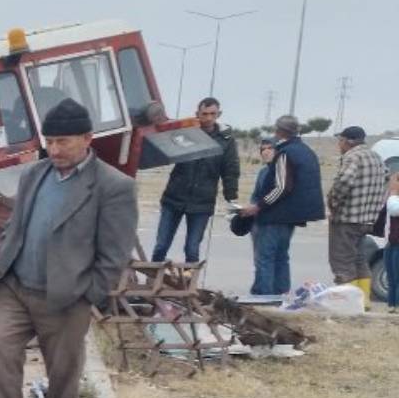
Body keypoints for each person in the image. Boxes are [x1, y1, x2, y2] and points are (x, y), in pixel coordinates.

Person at [0, 98, 137, 398]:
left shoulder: (114, 186)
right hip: (15, 286)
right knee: (1, 350)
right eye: (49, 142)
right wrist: (2, 261)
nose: (55, 149)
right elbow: (15, 224)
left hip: (65, 295)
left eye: (63, 141)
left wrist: (90, 294)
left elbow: (114, 253)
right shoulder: (35, 173)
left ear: (87, 138)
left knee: (63, 367)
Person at [240, 115, 325, 295]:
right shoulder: (306, 151)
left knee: (265, 258)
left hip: (275, 215)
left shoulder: (285, 153)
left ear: (278, 131)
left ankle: (265, 299)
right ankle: (281, 296)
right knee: (281, 258)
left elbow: (282, 187)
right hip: (292, 216)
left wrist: (258, 206)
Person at [151, 97, 240, 263]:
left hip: (202, 202)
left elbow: (231, 170)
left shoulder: (226, 140)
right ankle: (152, 280)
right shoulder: (186, 132)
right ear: (197, 114)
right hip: (174, 197)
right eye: (204, 114)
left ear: (218, 114)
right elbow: (161, 138)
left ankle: (189, 284)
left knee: (192, 250)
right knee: (161, 246)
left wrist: (231, 197)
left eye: (212, 114)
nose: (208, 118)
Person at [327, 125, 388, 304]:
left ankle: (347, 303)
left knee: (342, 262)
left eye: (341, 140)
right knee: (360, 260)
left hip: (347, 219)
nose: (339, 144)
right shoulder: (376, 157)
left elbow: (344, 181)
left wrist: (333, 203)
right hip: (367, 220)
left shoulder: (352, 157)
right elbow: (386, 178)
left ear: (348, 141)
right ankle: (363, 302)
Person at [377, 172, 399, 312]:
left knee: (397, 277)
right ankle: (391, 306)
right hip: (391, 242)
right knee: (391, 277)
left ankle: (396, 306)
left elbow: (394, 210)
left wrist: (393, 192)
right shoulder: (393, 198)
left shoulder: (394, 199)